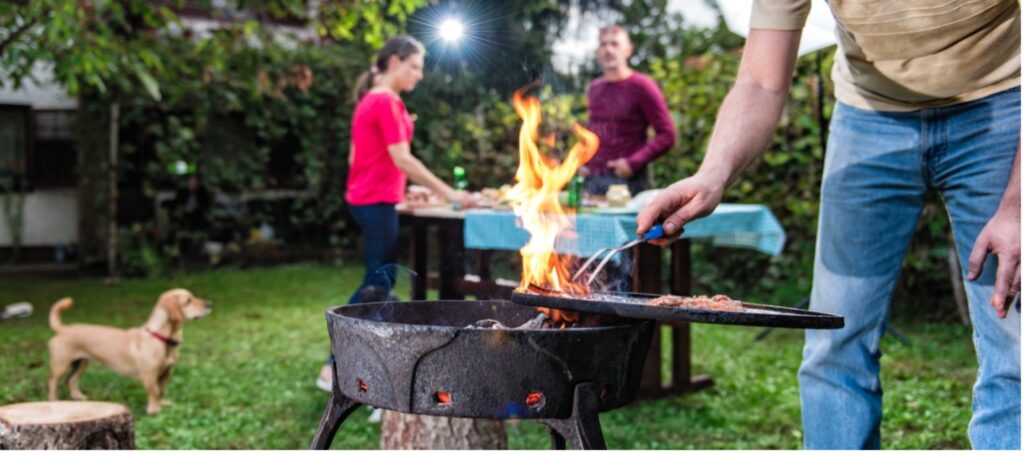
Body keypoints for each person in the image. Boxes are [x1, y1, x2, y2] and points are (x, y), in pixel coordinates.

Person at [636, 1, 1020, 449]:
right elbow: (761, 79)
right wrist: (711, 174)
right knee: (833, 341)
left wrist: (1016, 205)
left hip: (1004, 104)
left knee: (1013, 346)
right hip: (868, 114)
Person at [316, 36, 476, 394]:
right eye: (415, 66)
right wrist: (448, 194)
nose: (419, 75)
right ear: (394, 61)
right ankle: (332, 366)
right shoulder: (385, 102)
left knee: (379, 281)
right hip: (374, 202)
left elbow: (360, 158)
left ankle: (343, 363)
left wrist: (400, 190)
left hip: (373, 198)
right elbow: (402, 158)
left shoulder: (371, 100)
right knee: (378, 283)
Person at [582, 25, 676, 196]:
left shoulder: (643, 86)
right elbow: (594, 130)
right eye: (603, 44)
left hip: (629, 182)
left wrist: (632, 163)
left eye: (615, 44)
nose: (608, 49)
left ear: (628, 50)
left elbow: (667, 135)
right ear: (597, 51)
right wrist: (582, 161)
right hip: (593, 180)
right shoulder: (595, 88)